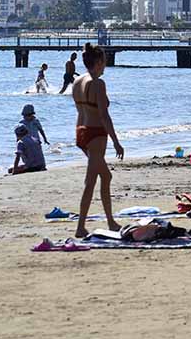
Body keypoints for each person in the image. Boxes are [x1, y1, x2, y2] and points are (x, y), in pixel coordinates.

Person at [72, 43, 124, 238]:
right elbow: (104, 115)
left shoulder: (78, 81)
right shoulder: (98, 84)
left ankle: (110, 221)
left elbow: (79, 111)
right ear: (99, 62)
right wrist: (116, 141)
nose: (106, 65)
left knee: (105, 176)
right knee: (90, 180)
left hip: (82, 131)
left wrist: (81, 136)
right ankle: (80, 227)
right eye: (104, 62)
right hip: (96, 134)